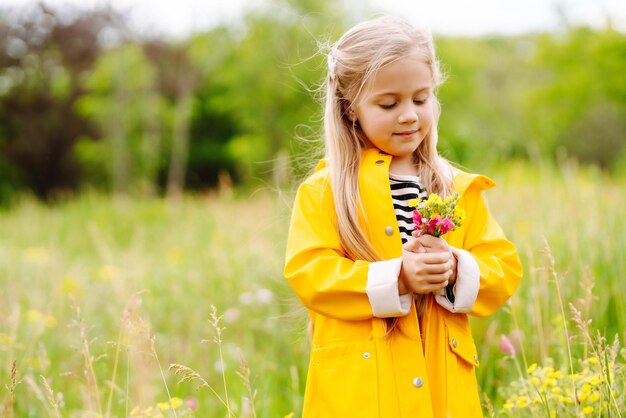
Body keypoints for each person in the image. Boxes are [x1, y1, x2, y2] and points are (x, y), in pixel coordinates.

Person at [284, 15, 522, 418]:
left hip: (441, 387)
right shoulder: (327, 190)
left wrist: (453, 268)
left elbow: (503, 268)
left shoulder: (454, 186)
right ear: (350, 108)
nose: (409, 115)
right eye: (389, 103)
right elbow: (309, 272)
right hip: (362, 393)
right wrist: (398, 278)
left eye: (421, 98)